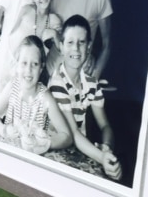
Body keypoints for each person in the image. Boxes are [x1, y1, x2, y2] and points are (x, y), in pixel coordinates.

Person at [48, 15, 122, 180]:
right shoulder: (57, 83)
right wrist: (101, 157)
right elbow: (73, 133)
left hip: (79, 150)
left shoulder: (91, 84)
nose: (76, 48)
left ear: (88, 46)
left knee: (111, 175)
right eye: (70, 43)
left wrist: (107, 149)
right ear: (61, 46)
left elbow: (105, 126)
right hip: (54, 152)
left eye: (81, 42)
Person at [0, 35, 72, 153]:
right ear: (17, 64)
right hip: (10, 151)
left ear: (41, 68)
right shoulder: (12, 87)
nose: (28, 70)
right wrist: (4, 130)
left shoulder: (45, 97)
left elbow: (67, 136)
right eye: (24, 63)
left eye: (35, 64)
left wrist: (45, 143)